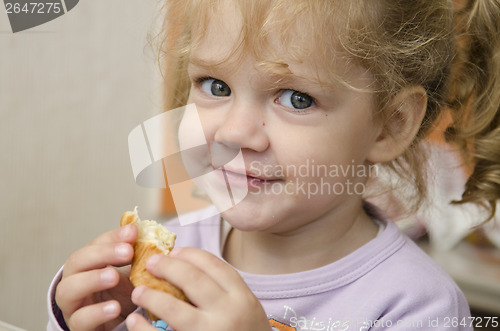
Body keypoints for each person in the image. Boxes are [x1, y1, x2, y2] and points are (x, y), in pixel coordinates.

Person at [47, 0, 500, 330]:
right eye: (216, 86)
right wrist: (90, 318)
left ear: (389, 125)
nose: (234, 133)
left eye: (296, 98)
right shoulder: (174, 250)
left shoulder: (416, 308)